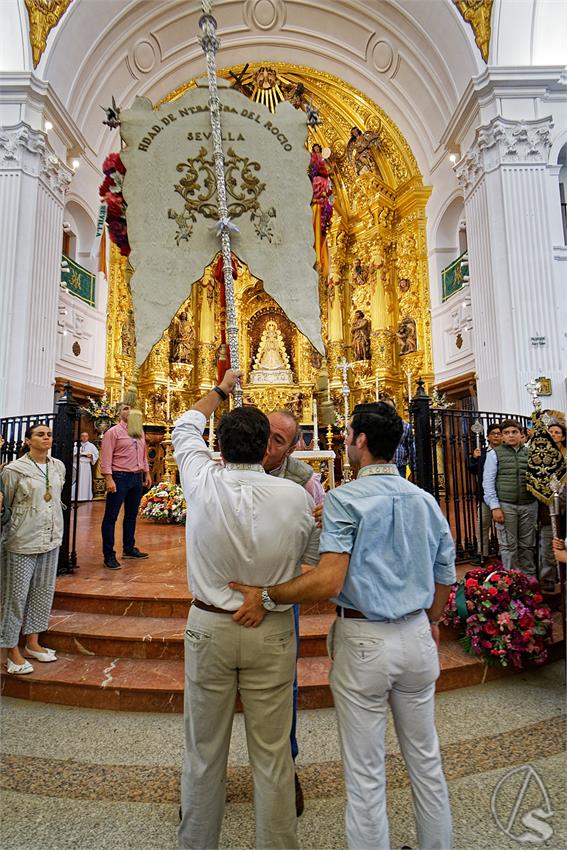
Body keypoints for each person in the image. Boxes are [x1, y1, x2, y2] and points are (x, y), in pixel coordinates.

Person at [230, 401, 456, 850]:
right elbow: (444, 576)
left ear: (362, 441)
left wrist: (269, 595)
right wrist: (427, 620)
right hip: (416, 635)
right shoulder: (425, 499)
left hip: (364, 639)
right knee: (427, 761)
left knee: (366, 772)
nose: (345, 438)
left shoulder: (344, 499)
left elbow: (329, 577)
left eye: (349, 432)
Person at [173, 370, 320, 850]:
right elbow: (311, 565)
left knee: (203, 751)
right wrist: (269, 592)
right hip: (272, 627)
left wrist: (221, 388)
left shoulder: (200, 481)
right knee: (274, 753)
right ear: (266, 450)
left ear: (219, 444)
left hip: (209, 626)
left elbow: (184, 426)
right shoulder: (297, 497)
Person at [263, 408, 325, 815]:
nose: (267, 446)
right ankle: (204, 781)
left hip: (280, 599)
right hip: (224, 600)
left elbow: (316, 553)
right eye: (264, 435)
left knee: (286, 685)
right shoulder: (224, 470)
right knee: (211, 694)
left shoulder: (305, 482)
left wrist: (274, 593)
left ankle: (286, 766)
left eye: (279, 440)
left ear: (295, 445)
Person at [0, 423, 65, 675]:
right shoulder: (14, 470)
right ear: (28, 441)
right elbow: (6, 508)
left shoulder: (57, 466)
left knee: (42, 591)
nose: (46, 437)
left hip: (51, 537)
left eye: (49, 434)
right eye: (40, 434)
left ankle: (33, 642)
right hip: (21, 538)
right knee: (15, 596)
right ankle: (10, 649)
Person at [483, 419, 538, 574]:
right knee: (508, 546)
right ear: (502, 436)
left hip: (529, 504)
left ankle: (529, 582)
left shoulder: (530, 453)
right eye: (506, 433)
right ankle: (512, 582)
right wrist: (495, 507)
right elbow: (488, 482)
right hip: (506, 505)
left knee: (527, 545)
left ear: (521, 434)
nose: (511, 435)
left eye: (514, 432)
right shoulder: (495, 454)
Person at [100, 403, 151, 570]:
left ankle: (129, 548)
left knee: (131, 515)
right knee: (111, 517)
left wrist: (146, 473)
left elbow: (143, 455)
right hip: (119, 477)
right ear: (119, 413)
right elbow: (106, 457)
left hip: (136, 478)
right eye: (125, 409)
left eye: (132, 409)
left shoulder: (139, 431)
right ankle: (109, 555)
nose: (129, 411)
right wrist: (109, 478)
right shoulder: (112, 432)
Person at [468, 423, 502, 562]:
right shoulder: (482, 452)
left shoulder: (505, 452)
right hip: (484, 496)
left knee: (501, 526)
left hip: (502, 495)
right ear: (487, 437)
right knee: (483, 524)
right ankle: (483, 553)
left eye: (499, 433)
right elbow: (473, 470)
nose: (496, 436)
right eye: (493, 433)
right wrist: (474, 458)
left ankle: (502, 552)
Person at [538, 421, 566, 591]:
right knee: (548, 544)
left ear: (563, 436)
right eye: (551, 432)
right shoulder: (540, 454)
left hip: (565, 502)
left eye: (558, 432)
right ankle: (547, 580)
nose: (554, 435)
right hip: (547, 504)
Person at [384, 397, 415, 478]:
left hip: (399, 466)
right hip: (382, 467)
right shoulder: (376, 426)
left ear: (395, 409)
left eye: (390, 408)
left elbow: (411, 447)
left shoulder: (405, 426)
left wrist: (414, 469)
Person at [71, 431, 99, 502]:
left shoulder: (91, 446)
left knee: (85, 481)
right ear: (80, 437)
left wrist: (92, 455)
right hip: (76, 465)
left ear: (88, 437)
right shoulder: (75, 444)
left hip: (86, 466)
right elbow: (72, 453)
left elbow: (96, 454)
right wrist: (77, 454)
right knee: (76, 480)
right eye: (82, 436)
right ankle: (74, 497)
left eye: (86, 436)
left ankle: (85, 496)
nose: (84, 437)